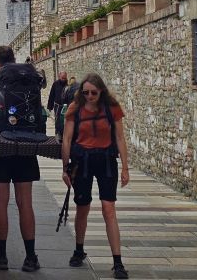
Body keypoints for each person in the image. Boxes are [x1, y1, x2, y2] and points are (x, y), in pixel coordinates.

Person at [0, 45, 40, 272]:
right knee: (25, 203)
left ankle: (2, 255)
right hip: (25, 147)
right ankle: (31, 257)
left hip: (1, 148)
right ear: (14, 60)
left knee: (0, 201)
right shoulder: (29, 84)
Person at [62, 73, 130, 279]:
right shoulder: (75, 109)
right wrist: (65, 168)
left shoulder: (112, 108)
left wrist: (125, 167)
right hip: (82, 162)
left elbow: (120, 138)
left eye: (93, 92)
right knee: (82, 207)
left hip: (106, 161)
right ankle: (78, 249)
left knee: (109, 208)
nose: (90, 96)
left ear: (101, 91)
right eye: (86, 92)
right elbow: (66, 140)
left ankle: (117, 261)